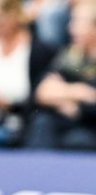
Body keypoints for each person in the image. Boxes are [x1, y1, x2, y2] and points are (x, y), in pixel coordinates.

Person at [24, 0, 96, 151]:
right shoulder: (67, 58)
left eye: (79, 22)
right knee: (41, 123)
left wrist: (61, 95)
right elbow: (41, 93)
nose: (71, 28)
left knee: (75, 140)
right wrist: (77, 90)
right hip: (63, 126)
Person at [0, 0, 55, 147]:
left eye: (3, 17)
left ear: (16, 15)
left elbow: (40, 92)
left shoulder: (39, 50)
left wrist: (10, 105)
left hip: (24, 117)